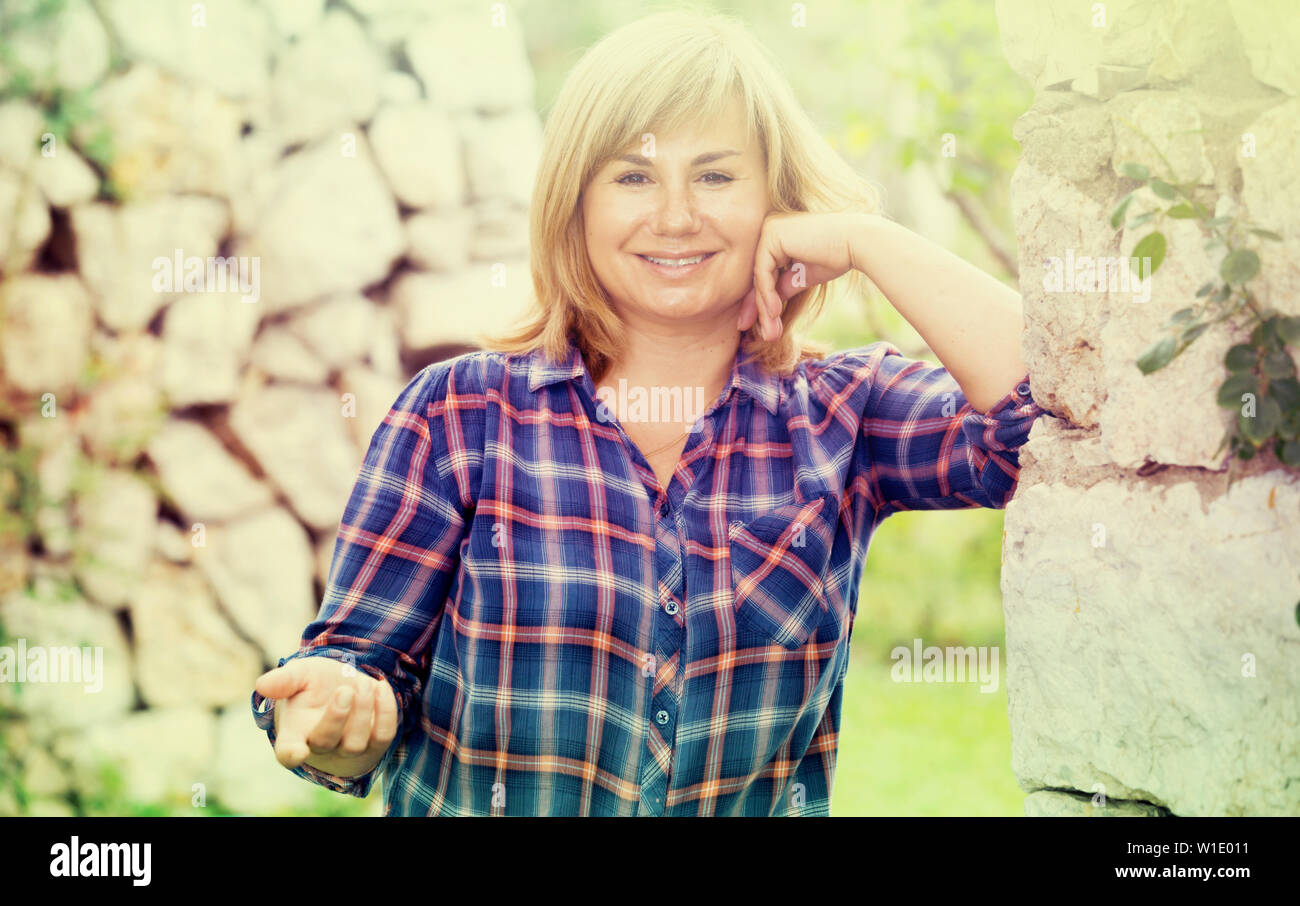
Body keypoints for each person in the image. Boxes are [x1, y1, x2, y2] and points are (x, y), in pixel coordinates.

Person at [251, 9, 1046, 816]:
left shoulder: (847, 416)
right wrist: (337, 714)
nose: (675, 216)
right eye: (633, 177)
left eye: (715, 176)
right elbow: (354, 672)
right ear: (577, 204)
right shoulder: (458, 417)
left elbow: (1050, 412)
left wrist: (867, 241)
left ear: (777, 199)